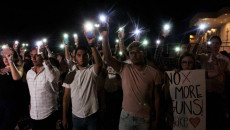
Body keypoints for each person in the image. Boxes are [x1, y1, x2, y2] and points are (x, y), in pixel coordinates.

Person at [101, 23, 162, 130]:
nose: (134, 55)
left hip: (145, 119)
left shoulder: (154, 73)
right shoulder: (124, 68)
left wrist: (157, 118)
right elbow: (108, 58)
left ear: (144, 53)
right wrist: (105, 37)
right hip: (126, 116)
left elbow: (157, 98)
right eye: (131, 53)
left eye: (138, 52)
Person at [62, 34, 102, 130]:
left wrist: (91, 44)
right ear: (75, 57)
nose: (82, 58)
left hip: (92, 114)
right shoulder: (70, 74)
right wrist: (64, 117)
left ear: (88, 56)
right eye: (79, 55)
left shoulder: (91, 70)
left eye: (84, 55)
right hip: (76, 116)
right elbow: (66, 97)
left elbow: (99, 64)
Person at [195, 36, 230, 130]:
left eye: (217, 43)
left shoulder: (225, 59)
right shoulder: (203, 57)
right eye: (212, 43)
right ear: (209, 45)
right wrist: (197, 42)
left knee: (218, 120)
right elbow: (191, 56)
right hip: (204, 93)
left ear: (220, 45)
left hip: (219, 94)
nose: (214, 45)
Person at [26, 48, 60, 130]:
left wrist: (46, 61)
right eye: (31, 55)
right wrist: (31, 110)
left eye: (36, 55)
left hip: (48, 114)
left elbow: (55, 88)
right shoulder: (29, 73)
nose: (33, 58)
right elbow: (31, 94)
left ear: (42, 56)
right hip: (34, 115)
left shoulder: (53, 70)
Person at [0, 48, 24, 130]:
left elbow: (16, 78)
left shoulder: (19, 68)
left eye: (8, 56)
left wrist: (11, 62)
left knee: (6, 126)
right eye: (4, 57)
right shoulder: (1, 69)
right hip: (1, 102)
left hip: (12, 103)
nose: (5, 59)